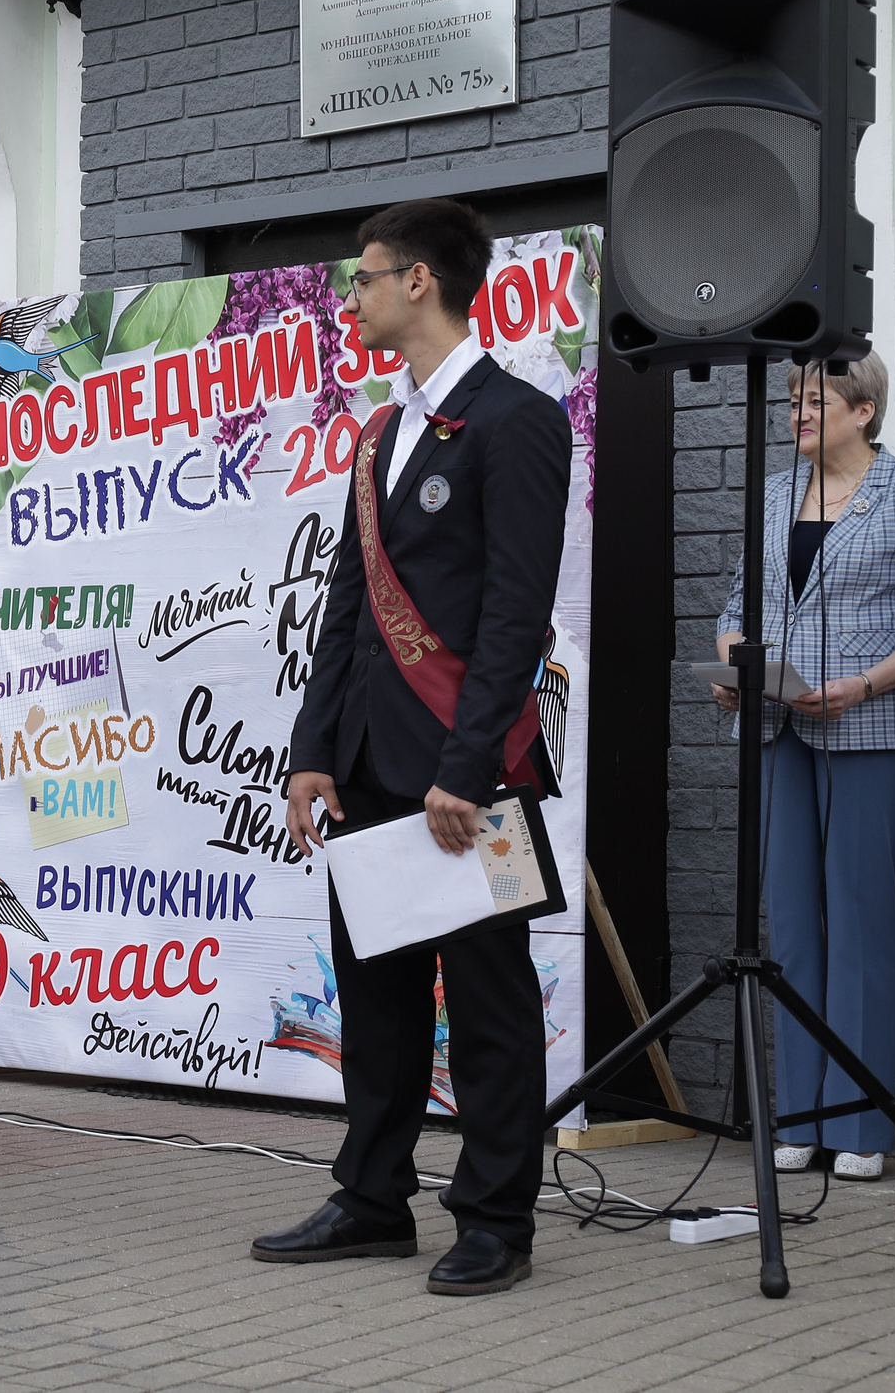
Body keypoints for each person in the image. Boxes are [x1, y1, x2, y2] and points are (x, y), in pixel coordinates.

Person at [258, 199, 569, 1297]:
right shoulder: (381, 432)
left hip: (470, 774)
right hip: (370, 765)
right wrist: (313, 751)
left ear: (418, 282)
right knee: (376, 1001)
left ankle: (494, 1218)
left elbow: (516, 617)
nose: (352, 296)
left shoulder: (518, 419)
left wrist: (465, 769)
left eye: (364, 277)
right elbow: (346, 607)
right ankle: (372, 1199)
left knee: (488, 1005)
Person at [708, 353, 895, 1182]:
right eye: (792, 400)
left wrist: (865, 684)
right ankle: (801, 1115)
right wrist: (734, 664)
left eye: (815, 399)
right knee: (789, 922)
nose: (798, 413)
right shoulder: (774, 493)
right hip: (774, 724)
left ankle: (860, 1124)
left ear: (864, 409)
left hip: (867, 727)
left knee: (860, 922)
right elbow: (737, 606)